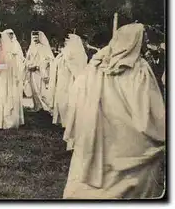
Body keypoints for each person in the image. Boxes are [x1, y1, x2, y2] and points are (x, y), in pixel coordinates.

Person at [63, 23, 165, 199]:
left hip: (100, 129)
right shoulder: (138, 68)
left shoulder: (96, 66)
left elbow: (78, 94)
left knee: (102, 166)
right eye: (143, 40)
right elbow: (148, 106)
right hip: (128, 132)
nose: (145, 44)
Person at [48, 34, 88, 128]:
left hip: (70, 80)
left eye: (68, 40)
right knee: (61, 100)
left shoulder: (78, 54)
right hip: (61, 80)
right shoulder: (64, 53)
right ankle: (62, 121)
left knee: (68, 101)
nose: (66, 42)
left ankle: (69, 123)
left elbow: (78, 68)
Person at [24, 31, 54, 113]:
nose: (35, 39)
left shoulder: (43, 47)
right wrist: (29, 65)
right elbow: (28, 59)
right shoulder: (31, 47)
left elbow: (48, 59)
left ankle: (47, 107)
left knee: (41, 89)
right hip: (32, 71)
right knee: (34, 89)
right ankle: (38, 106)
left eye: (36, 37)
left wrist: (37, 66)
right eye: (33, 37)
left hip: (40, 71)